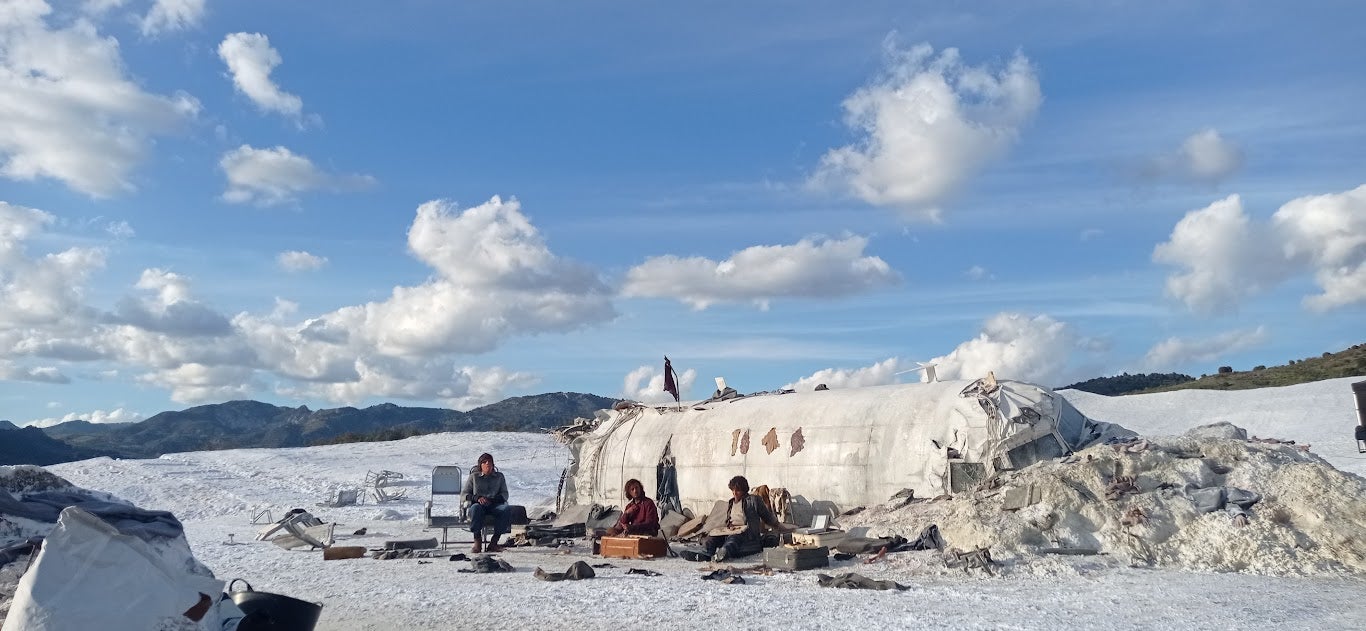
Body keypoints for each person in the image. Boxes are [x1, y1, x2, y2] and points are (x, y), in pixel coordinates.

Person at [703, 475, 793, 562]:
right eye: (733, 491)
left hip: (746, 533)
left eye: (737, 491)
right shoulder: (731, 502)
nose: (734, 493)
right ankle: (707, 555)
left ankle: (722, 554)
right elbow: (729, 519)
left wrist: (778, 526)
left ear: (744, 490)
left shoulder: (753, 500)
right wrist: (728, 526)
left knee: (732, 541)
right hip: (730, 531)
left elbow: (767, 516)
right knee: (711, 539)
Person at [462, 452, 511, 553]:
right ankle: (477, 541)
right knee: (475, 508)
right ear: (480, 465)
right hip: (479, 505)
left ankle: (494, 542)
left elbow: (505, 494)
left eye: (490, 462)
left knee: (506, 509)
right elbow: (463, 495)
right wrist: (476, 498)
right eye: (485, 462)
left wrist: (494, 499)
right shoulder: (474, 477)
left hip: (494, 505)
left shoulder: (499, 477)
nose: (488, 464)